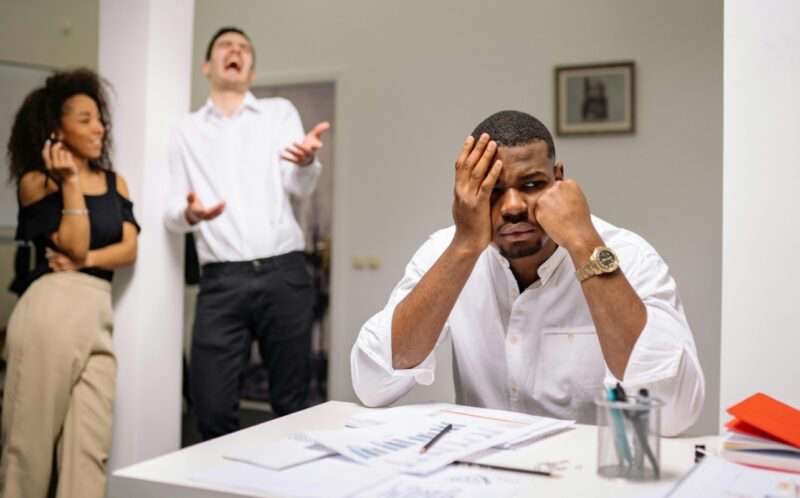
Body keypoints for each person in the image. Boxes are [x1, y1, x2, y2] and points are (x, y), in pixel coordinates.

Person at [350, 110, 705, 436]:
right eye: (493, 190)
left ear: (559, 180)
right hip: (481, 469)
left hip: (588, 474)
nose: (513, 206)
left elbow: (674, 412)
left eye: (532, 185)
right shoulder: (449, 250)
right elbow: (372, 383)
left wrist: (583, 244)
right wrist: (464, 246)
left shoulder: (628, 255)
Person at [165, 27, 330, 440]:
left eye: (244, 48)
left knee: (293, 407)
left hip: (284, 274)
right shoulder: (185, 130)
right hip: (222, 282)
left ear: (251, 71)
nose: (235, 51)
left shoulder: (279, 113)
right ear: (208, 66)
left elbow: (299, 186)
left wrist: (306, 163)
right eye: (226, 45)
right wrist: (189, 212)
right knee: (210, 408)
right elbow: (171, 211)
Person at [1, 68, 140, 498]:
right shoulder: (37, 182)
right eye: (85, 119)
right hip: (50, 309)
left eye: (100, 119)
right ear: (56, 130)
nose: (98, 128)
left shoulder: (115, 182)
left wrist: (88, 260)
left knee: (89, 453)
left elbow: (128, 249)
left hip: (97, 312)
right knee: (28, 450)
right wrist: (72, 182)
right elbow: (75, 240)